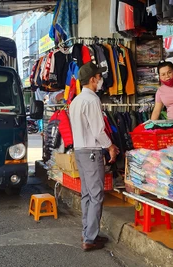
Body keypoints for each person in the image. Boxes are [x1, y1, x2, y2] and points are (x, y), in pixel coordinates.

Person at [69, 62, 120, 252]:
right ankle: (90, 239)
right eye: (99, 77)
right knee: (96, 195)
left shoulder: (76, 101)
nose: (101, 80)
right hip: (91, 151)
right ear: (92, 80)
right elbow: (98, 130)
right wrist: (111, 146)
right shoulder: (91, 100)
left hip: (81, 151)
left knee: (87, 194)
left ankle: (87, 232)